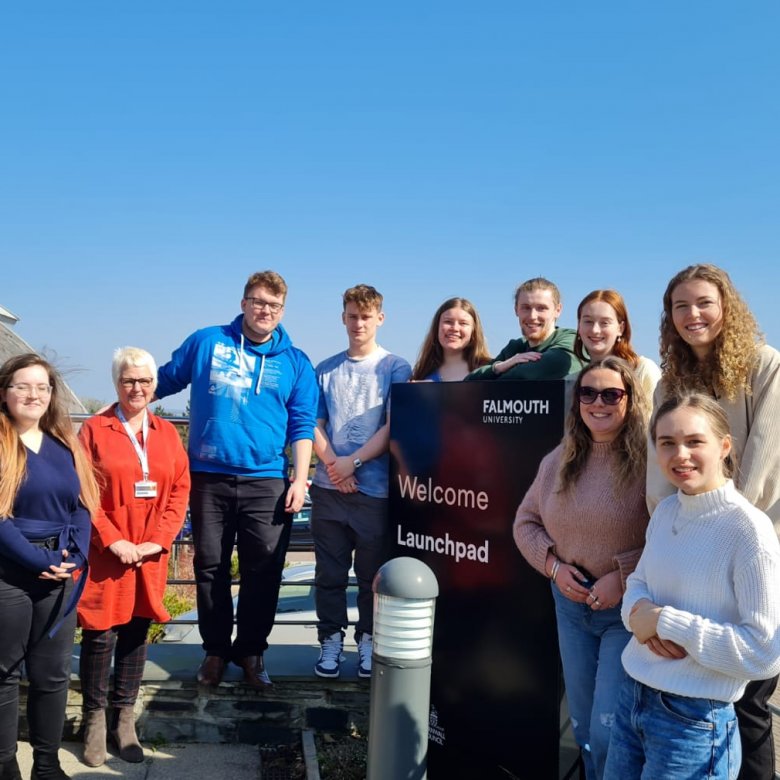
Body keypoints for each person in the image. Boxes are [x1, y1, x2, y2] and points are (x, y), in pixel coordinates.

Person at [647, 263, 780, 780]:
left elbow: (764, 469)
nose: (692, 314)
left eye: (703, 302)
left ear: (726, 306)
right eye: (680, 306)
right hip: (683, 551)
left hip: (746, 545)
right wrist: (664, 544)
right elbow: (660, 481)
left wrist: (718, 533)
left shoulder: (763, 365)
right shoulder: (672, 379)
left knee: (748, 703)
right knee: (696, 687)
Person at [155, 270, 317, 688]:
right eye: (259, 302)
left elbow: (301, 425)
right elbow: (165, 379)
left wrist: (300, 480)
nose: (266, 311)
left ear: (282, 311)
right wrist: (126, 399)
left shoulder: (295, 362)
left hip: (267, 481)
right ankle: (214, 651)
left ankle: (251, 652)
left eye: (274, 306)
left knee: (263, 570)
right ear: (244, 303)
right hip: (209, 477)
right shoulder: (208, 341)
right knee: (210, 568)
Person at [605, 393, 780, 780]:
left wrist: (666, 622)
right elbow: (638, 584)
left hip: (695, 722)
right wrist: (638, 617)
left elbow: (764, 653)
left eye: (694, 441)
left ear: (724, 446)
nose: (680, 454)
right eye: (667, 443)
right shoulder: (667, 510)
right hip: (632, 696)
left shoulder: (748, 530)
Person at [513, 356, 650, 780]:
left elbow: (671, 534)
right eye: (588, 393)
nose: (598, 403)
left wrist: (623, 576)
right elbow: (525, 522)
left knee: (610, 730)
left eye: (612, 394)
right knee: (585, 731)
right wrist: (553, 567)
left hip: (623, 615)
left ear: (630, 400)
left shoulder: (650, 462)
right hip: (570, 610)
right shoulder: (559, 459)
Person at [76, 347, 190, 767]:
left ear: (155, 386)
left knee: (136, 631)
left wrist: (158, 541)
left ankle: (124, 718)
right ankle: (93, 719)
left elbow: (180, 490)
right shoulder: (94, 429)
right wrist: (112, 540)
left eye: (144, 381)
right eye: (128, 380)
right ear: (116, 384)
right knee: (100, 634)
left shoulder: (165, 433)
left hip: (149, 554)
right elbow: (84, 491)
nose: (136, 387)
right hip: (107, 553)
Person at [0, 354, 100, 780]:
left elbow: (80, 506)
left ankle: (46, 763)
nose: (33, 394)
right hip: (9, 573)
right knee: (4, 673)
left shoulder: (63, 443)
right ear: (5, 392)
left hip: (59, 573)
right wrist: (37, 560)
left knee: (53, 675)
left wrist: (74, 555)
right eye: (23, 386)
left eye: (42, 387)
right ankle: (5, 764)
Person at [311, 284, 411, 679]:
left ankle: (368, 639)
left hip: (374, 492)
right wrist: (336, 467)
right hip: (328, 490)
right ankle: (330, 641)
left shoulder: (395, 368)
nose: (358, 323)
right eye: (352, 316)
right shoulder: (325, 369)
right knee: (329, 575)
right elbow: (313, 425)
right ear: (343, 317)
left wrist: (352, 463)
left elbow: (393, 426)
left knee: (372, 576)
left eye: (366, 317)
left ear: (380, 319)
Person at [466, 277, 585, 380]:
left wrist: (496, 377)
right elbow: (469, 382)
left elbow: (530, 373)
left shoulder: (571, 340)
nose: (533, 316)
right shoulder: (515, 348)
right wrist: (499, 367)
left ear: (558, 310)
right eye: (526, 308)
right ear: (516, 310)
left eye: (541, 308)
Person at [572, 289, 661, 402]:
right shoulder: (572, 382)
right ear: (579, 326)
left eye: (605, 323)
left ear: (620, 328)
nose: (595, 330)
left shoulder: (643, 371)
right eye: (588, 321)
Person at [410, 297, 491, 381]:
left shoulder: (490, 371)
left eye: (463, 323)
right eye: (448, 322)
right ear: (437, 327)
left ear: (473, 331)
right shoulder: (421, 373)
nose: (455, 328)